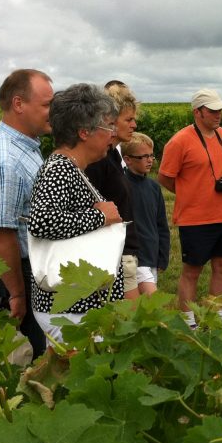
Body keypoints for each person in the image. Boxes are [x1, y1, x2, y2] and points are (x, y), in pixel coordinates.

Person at [28, 83, 124, 344]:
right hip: (71, 313)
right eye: (108, 127)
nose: (112, 135)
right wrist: (100, 217)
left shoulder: (72, 168)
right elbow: (42, 221)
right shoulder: (60, 169)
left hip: (79, 308)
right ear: (84, 132)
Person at [0, 69, 53, 360]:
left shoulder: (25, 146)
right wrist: (16, 294)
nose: (51, 112)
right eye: (46, 105)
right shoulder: (4, 162)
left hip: (26, 268)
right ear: (19, 104)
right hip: (14, 273)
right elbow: (1, 236)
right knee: (23, 358)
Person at [157, 88, 222, 335]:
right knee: (192, 270)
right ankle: (188, 323)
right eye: (213, 111)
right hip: (194, 218)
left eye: (220, 110)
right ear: (197, 112)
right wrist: (189, 194)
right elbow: (165, 177)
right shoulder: (180, 141)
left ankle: (218, 321)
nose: (218, 115)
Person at [85, 83, 141, 300]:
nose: (134, 125)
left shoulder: (113, 155)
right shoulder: (98, 160)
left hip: (123, 250)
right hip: (114, 254)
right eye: (128, 119)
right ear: (109, 120)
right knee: (130, 326)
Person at [122, 132, 170, 295]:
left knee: (143, 308)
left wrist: (162, 256)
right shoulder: (122, 187)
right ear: (128, 159)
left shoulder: (153, 187)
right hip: (135, 256)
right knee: (153, 302)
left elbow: (161, 224)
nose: (150, 160)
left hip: (152, 254)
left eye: (151, 156)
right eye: (144, 156)